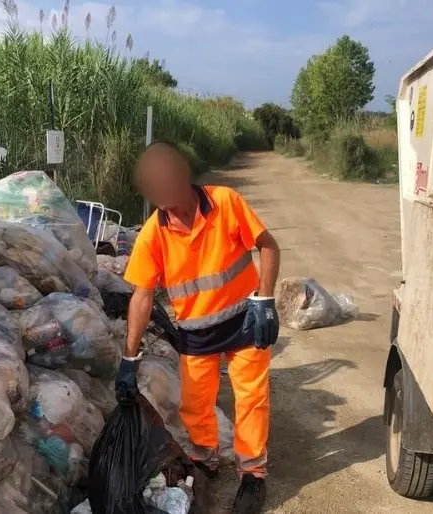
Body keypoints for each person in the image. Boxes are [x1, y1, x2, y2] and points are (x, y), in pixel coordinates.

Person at [115, 141, 282, 514]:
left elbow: (268, 247)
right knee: (195, 404)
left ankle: (253, 473)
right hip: (197, 332)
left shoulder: (225, 203)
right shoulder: (153, 236)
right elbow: (141, 298)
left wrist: (265, 299)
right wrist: (130, 357)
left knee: (251, 398)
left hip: (244, 320)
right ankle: (207, 459)